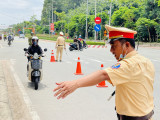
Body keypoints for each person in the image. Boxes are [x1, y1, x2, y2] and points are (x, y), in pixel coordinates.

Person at [53, 25, 154, 120]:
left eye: (114, 46)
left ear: (126, 45)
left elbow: (103, 74)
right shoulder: (146, 61)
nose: (111, 50)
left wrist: (75, 84)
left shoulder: (128, 64)